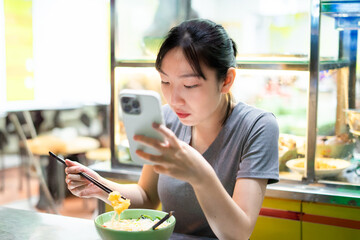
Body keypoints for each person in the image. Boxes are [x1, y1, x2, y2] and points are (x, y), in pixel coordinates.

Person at [65, 18, 279, 240]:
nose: (174, 100)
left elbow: (237, 234)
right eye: (165, 82)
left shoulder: (258, 127)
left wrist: (200, 175)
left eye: (189, 85)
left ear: (226, 80)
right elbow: (146, 196)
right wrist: (100, 186)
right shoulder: (167, 118)